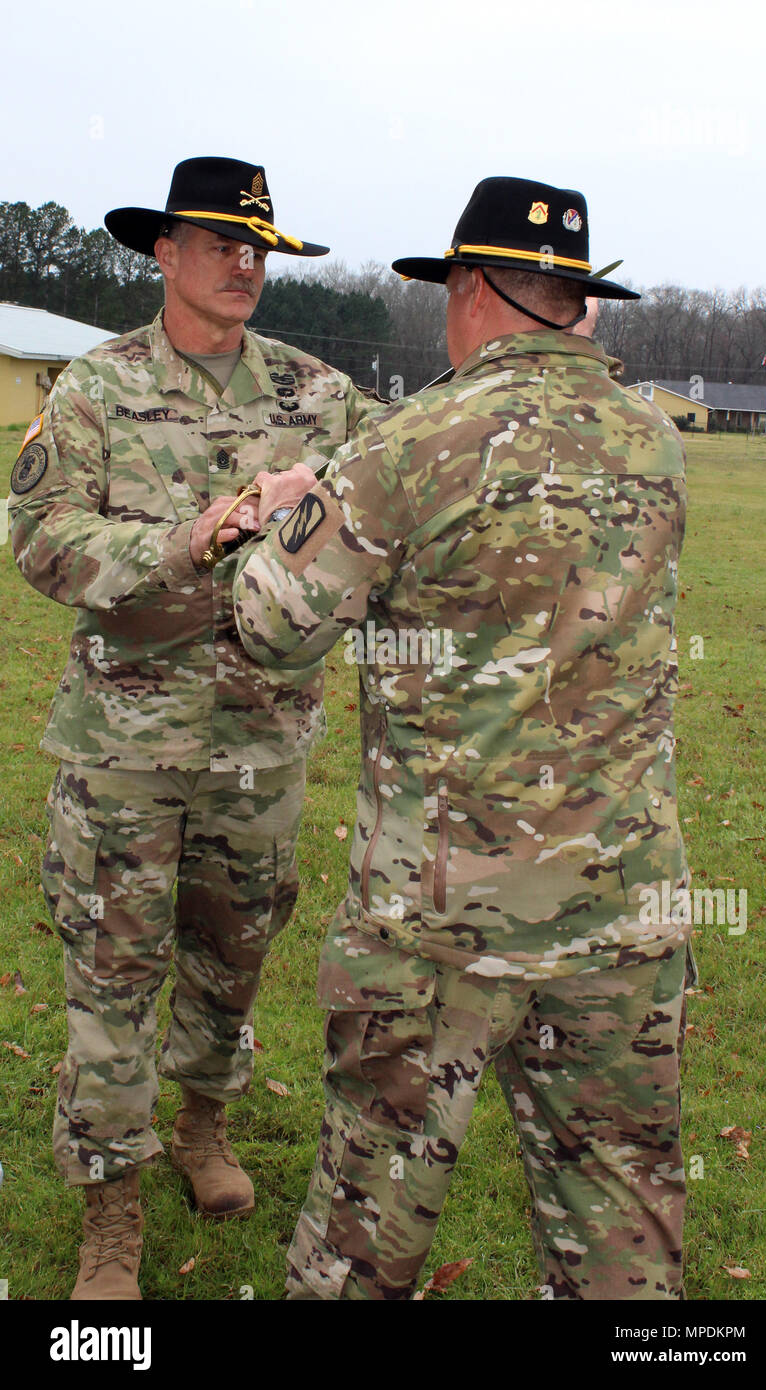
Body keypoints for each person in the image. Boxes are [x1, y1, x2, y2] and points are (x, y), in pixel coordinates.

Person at [232, 176, 695, 1301]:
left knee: (364, 1228)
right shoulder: (653, 442)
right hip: (620, 915)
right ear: (571, 298)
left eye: (449, 290)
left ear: (476, 289)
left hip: (436, 923)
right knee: (622, 1228)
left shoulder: (410, 443)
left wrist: (290, 511)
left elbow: (270, 630)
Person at [10, 156, 378, 1301]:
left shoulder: (320, 395)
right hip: (124, 750)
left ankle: (202, 1128)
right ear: (162, 254)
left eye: (256, 244)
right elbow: (43, 541)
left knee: (232, 962)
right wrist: (192, 538)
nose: (243, 262)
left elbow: (403, 485)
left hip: (260, 747)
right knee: (112, 978)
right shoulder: (96, 390)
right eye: (218, 241)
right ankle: (108, 1216)